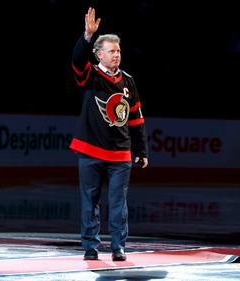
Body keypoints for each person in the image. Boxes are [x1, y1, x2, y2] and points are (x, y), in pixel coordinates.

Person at [69, 7, 148, 261]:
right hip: (90, 149)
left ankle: (118, 246)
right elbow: (77, 60)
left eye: (119, 51)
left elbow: (136, 118)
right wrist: (87, 36)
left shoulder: (128, 81)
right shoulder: (90, 76)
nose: (117, 55)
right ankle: (91, 246)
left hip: (120, 154)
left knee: (118, 205)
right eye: (112, 51)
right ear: (99, 54)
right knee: (89, 202)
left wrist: (142, 150)